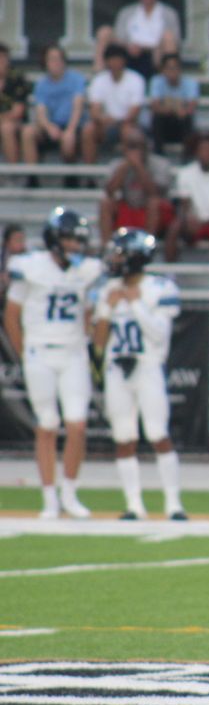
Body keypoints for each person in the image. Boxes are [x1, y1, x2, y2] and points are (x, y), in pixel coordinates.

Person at [3, 208, 102, 519]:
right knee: (46, 425)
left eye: (78, 240)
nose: (75, 246)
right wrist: (24, 352)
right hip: (40, 352)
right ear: (55, 239)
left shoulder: (84, 271)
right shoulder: (30, 267)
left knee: (77, 424)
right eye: (70, 239)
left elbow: (87, 312)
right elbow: (11, 316)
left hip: (73, 352)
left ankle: (69, 492)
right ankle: (49, 497)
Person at [91, 228, 185, 521]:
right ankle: (134, 504)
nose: (115, 260)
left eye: (120, 254)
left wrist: (134, 303)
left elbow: (158, 334)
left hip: (147, 365)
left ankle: (173, 503)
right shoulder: (108, 289)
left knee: (158, 433)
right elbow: (98, 339)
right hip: (118, 367)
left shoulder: (160, 287)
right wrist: (108, 308)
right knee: (123, 436)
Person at [94, 0, 180, 80]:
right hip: (129, 53)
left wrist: (147, 48)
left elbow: (175, 41)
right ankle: (99, 76)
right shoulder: (127, 12)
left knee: (168, 37)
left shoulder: (168, 13)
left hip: (155, 55)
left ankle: (167, 80)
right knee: (104, 32)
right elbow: (119, 37)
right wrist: (129, 46)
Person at [166, 133, 209, 263]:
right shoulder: (185, 173)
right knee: (175, 225)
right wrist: (189, 218)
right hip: (194, 222)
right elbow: (185, 204)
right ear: (196, 152)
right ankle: (169, 271)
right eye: (202, 149)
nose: (206, 153)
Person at [23, 44, 92, 165]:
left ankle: (71, 175)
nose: (56, 63)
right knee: (28, 132)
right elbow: (40, 111)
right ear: (45, 62)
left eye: (58, 59)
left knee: (70, 138)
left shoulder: (77, 79)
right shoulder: (41, 84)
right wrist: (49, 127)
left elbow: (78, 105)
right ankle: (32, 177)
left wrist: (70, 130)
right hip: (52, 126)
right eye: (52, 59)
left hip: (74, 126)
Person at [99, 132, 174, 240]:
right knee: (105, 202)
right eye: (131, 146)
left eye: (138, 146)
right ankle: (107, 246)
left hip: (151, 211)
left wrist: (139, 167)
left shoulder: (160, 164)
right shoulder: (118, 164)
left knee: (154, 202)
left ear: (146, 147)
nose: (135, 150)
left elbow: (154, 192)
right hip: (128, 208)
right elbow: (109, 191)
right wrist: (124, 168)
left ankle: (148, 244)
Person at [86, 44, 146, 156]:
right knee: (89, 129)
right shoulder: (98, 80)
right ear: (106, 61)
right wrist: (103, 119)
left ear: (124, 61)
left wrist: (118, 121)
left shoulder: (136, 79)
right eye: (112, 59)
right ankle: (89, 169)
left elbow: (135, 111)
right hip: (105, 124)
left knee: (128, 130)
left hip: (128, 123)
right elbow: (94, 110)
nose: (115, 63)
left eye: (118, 59)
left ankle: (128, 167)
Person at [145, 53, 198, 155]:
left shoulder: (191, 83)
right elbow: (155, 106)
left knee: (187, 119)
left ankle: (187, 156)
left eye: (175, 68)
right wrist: (174, 110)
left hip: (181, 124)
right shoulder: (156, 81)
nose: (172, 71)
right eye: (169, 68)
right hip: (164, 124)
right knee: (157, 118)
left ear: (180, 69)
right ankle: (158, 154)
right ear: (163, 70)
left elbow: (192, 106)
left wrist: (180, 111)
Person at [0, 43, 31, 164]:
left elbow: (17, 112)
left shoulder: (17, 79)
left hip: (16, 124)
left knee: (6, 128)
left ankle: (13, 173)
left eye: (3, 58)